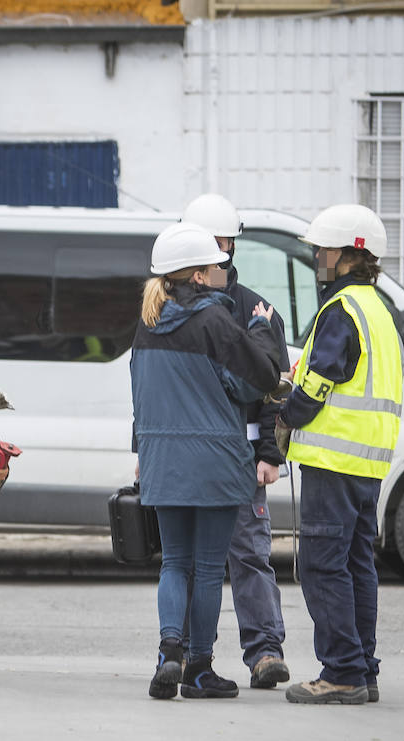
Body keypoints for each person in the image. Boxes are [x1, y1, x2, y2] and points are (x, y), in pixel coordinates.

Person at [132, 223, 286, 700]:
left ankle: (168, 652)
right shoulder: (218, 322)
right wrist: (259, 330)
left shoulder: (148, 322)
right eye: (216, 266)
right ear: (198, 276)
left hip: (162, 460)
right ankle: (199, 669)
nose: (224, 271)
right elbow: (258, 379)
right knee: (207, 565)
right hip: (216, 462)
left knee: (174, 563)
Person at [278, 203, 404, 705]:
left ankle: (343, 673)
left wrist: (286, 412)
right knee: (356, 566)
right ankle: (363, 669)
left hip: (332, 461)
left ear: (350, 255)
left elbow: (316, 386)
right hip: (367, 463)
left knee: (321, 566)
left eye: (322, 250)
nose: (316, 258)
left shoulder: (341, 310)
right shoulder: (381, 311)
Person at [181, 192, 292, 690]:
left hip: (244, 456)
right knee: (184, 561)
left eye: (224, 242)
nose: (222, 250)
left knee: (249, 554)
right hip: (190, 454)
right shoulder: (170, 311)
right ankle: (183, 654)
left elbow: (274, 383)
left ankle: (265, 651)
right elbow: (153, 388)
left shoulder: (256, 311)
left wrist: (269, 452)